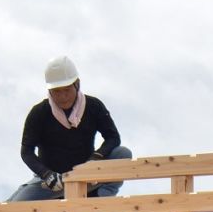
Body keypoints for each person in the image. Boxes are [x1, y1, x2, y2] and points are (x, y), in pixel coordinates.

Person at [9, 56, 132, 201]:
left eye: (67, 90)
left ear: (77, 84)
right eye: (57, 91)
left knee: (122, 154)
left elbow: (113, 138)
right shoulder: (39, 113)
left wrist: (95, 159)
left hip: (87, 178)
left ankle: (98, 199)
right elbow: (26, 152)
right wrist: (46, 174)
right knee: (13, 207)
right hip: (51, 183)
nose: (62, 96)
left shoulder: (93, 106)